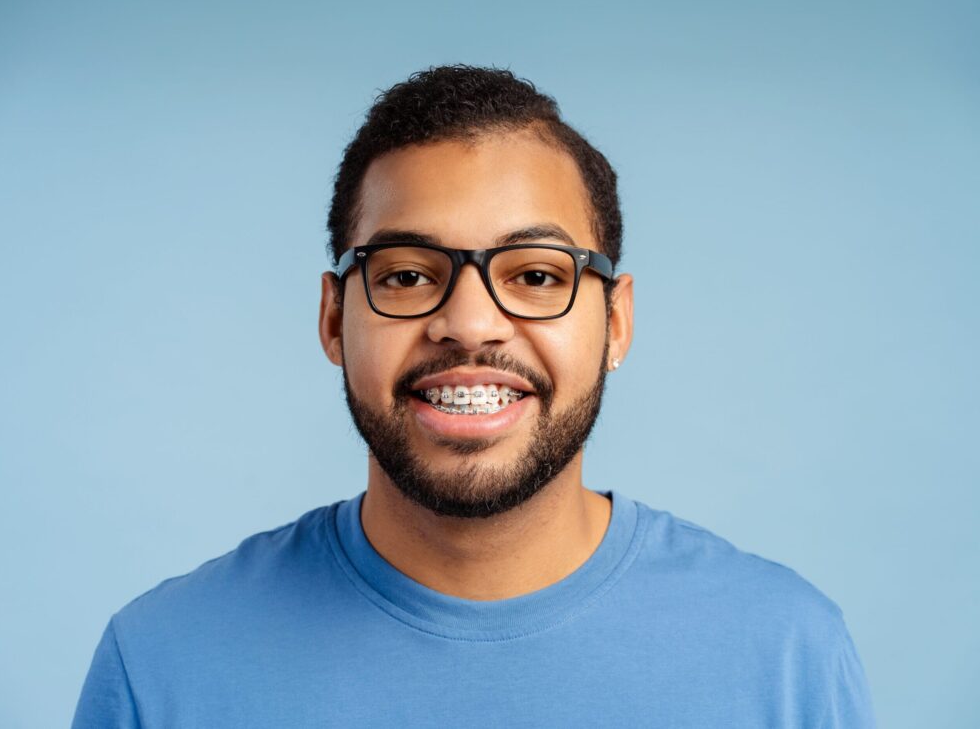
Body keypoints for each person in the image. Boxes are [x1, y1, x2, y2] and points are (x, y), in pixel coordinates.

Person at [73, 65, 875, 727]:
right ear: (332, 318)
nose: (468, 323)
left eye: (535, 275)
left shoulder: (786, 655)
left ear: (617, 322)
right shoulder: (162, 666)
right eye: (408, 275)